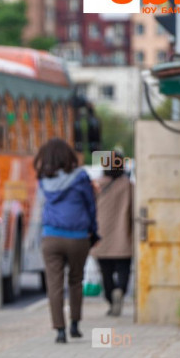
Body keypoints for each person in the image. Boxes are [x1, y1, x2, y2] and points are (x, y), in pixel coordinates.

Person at [34, 138, 98, 344]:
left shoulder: (43, 180)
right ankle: (75, 325)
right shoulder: (81, 177)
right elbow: (91, 206)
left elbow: (39, 209)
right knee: (76, 281)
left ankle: (60, 331)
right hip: (78, 238)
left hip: (51, 237)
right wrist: (93, 231)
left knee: (54, 284)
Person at [91, 152, 132, 316]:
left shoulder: (97, 185)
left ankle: (110, 297)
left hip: (102, 237)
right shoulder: (129, 185)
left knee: (105, 273)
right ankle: (120, 290)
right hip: (123, 236)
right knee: (124, 269)